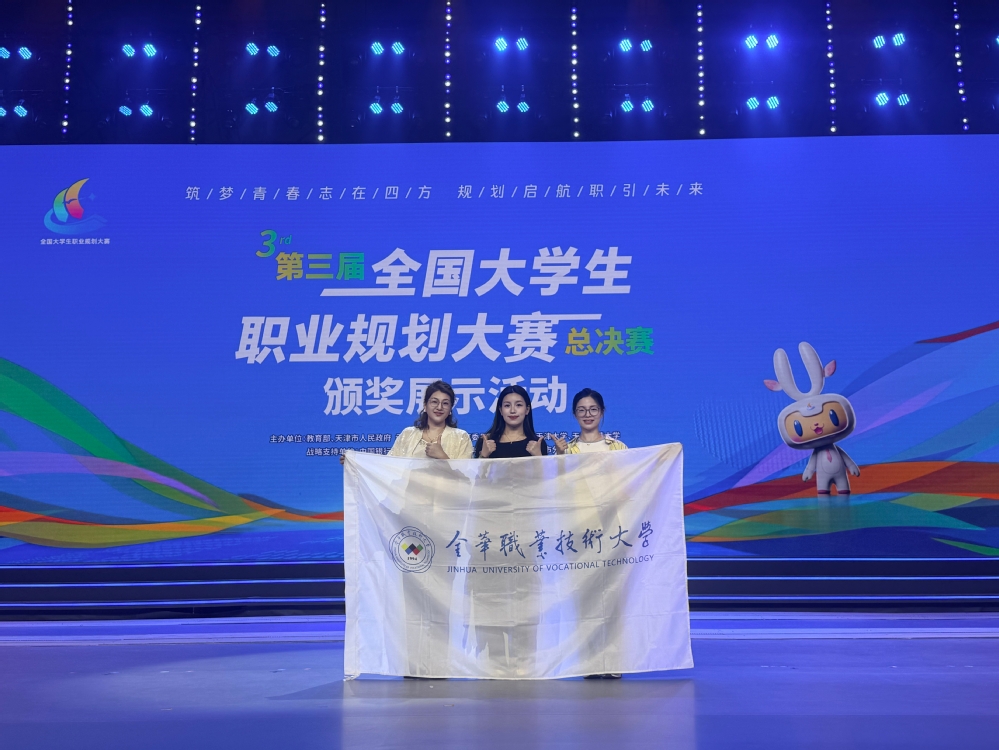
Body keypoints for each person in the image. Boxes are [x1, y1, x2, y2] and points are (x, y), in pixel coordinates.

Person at [388, 380, 473, 459]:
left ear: (450, 408)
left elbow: (465, 470)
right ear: (425, 405)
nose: (439, 407)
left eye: (445, 403)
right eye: (434, 402)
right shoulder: (407, 434)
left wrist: (443, 457)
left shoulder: (461, 437)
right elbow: (389, 466)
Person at [475, 384, 549, 458]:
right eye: (507, 405)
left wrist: (538, 457)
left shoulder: (537, 444)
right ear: (500, 410)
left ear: (527, 410)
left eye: (518, 405)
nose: (512, 410)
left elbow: (544, 466)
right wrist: (483, 456)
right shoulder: (486, 442)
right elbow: (476, 465)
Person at [553, 388, 627, 455]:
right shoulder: (566, 450)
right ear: (575, 414)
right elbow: (559, 466)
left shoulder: (619, 448)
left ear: (602, 412)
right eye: (581, 410)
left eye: (593, 409)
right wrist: (560, 455)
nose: (587, 415)